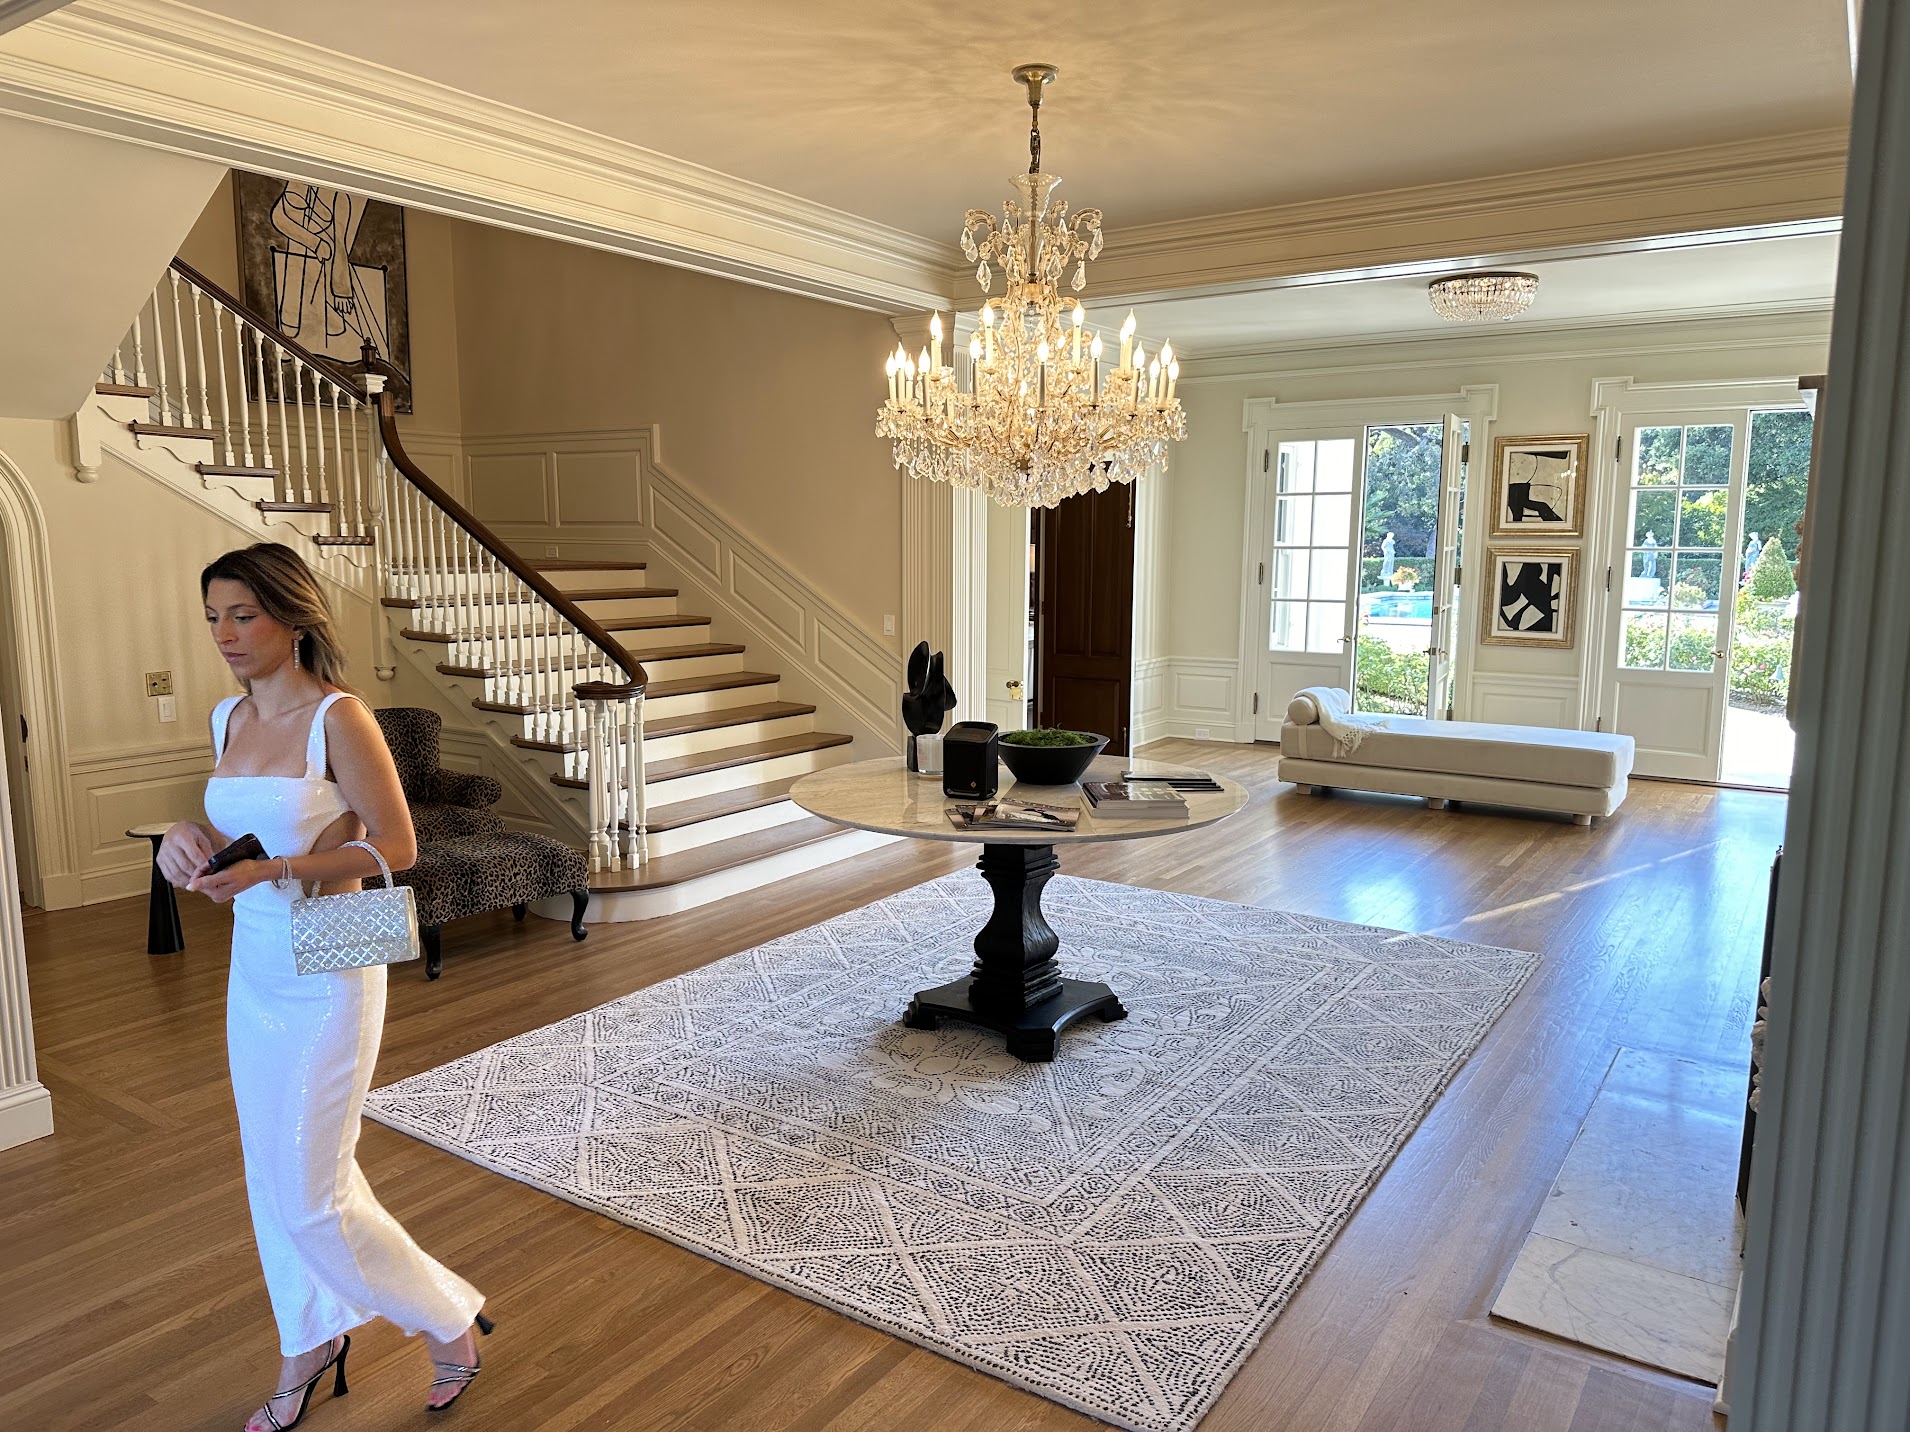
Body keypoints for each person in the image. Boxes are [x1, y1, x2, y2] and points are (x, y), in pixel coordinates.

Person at [157, 543, 492, 1430]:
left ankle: (448, 1319)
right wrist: (184, 840)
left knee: (312, 1194)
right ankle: (308, 1341)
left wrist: (277, 869)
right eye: (214, 617)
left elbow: (397, 846)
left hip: (332, 967)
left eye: (244, 615)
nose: (226, 635)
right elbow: (235, 828)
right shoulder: (227, 717)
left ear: (293, 617)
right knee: (270, 1174)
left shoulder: (339, 718)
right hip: (255, 965)